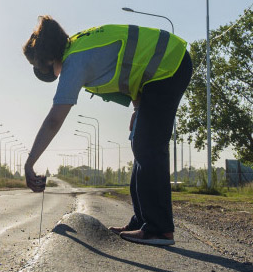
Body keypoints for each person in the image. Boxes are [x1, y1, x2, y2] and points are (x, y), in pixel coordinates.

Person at [22, 16, 192, 246]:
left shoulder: (75, 61)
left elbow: (54, 119)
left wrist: (30, 161)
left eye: (38, 68)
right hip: (160, 71)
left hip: (169, 65)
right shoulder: (78, 46)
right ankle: (142, 221)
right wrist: (139, 107)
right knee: (140, 143)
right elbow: (132, 66)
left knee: (148, 146)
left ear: (49, 60)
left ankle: (160, 229)